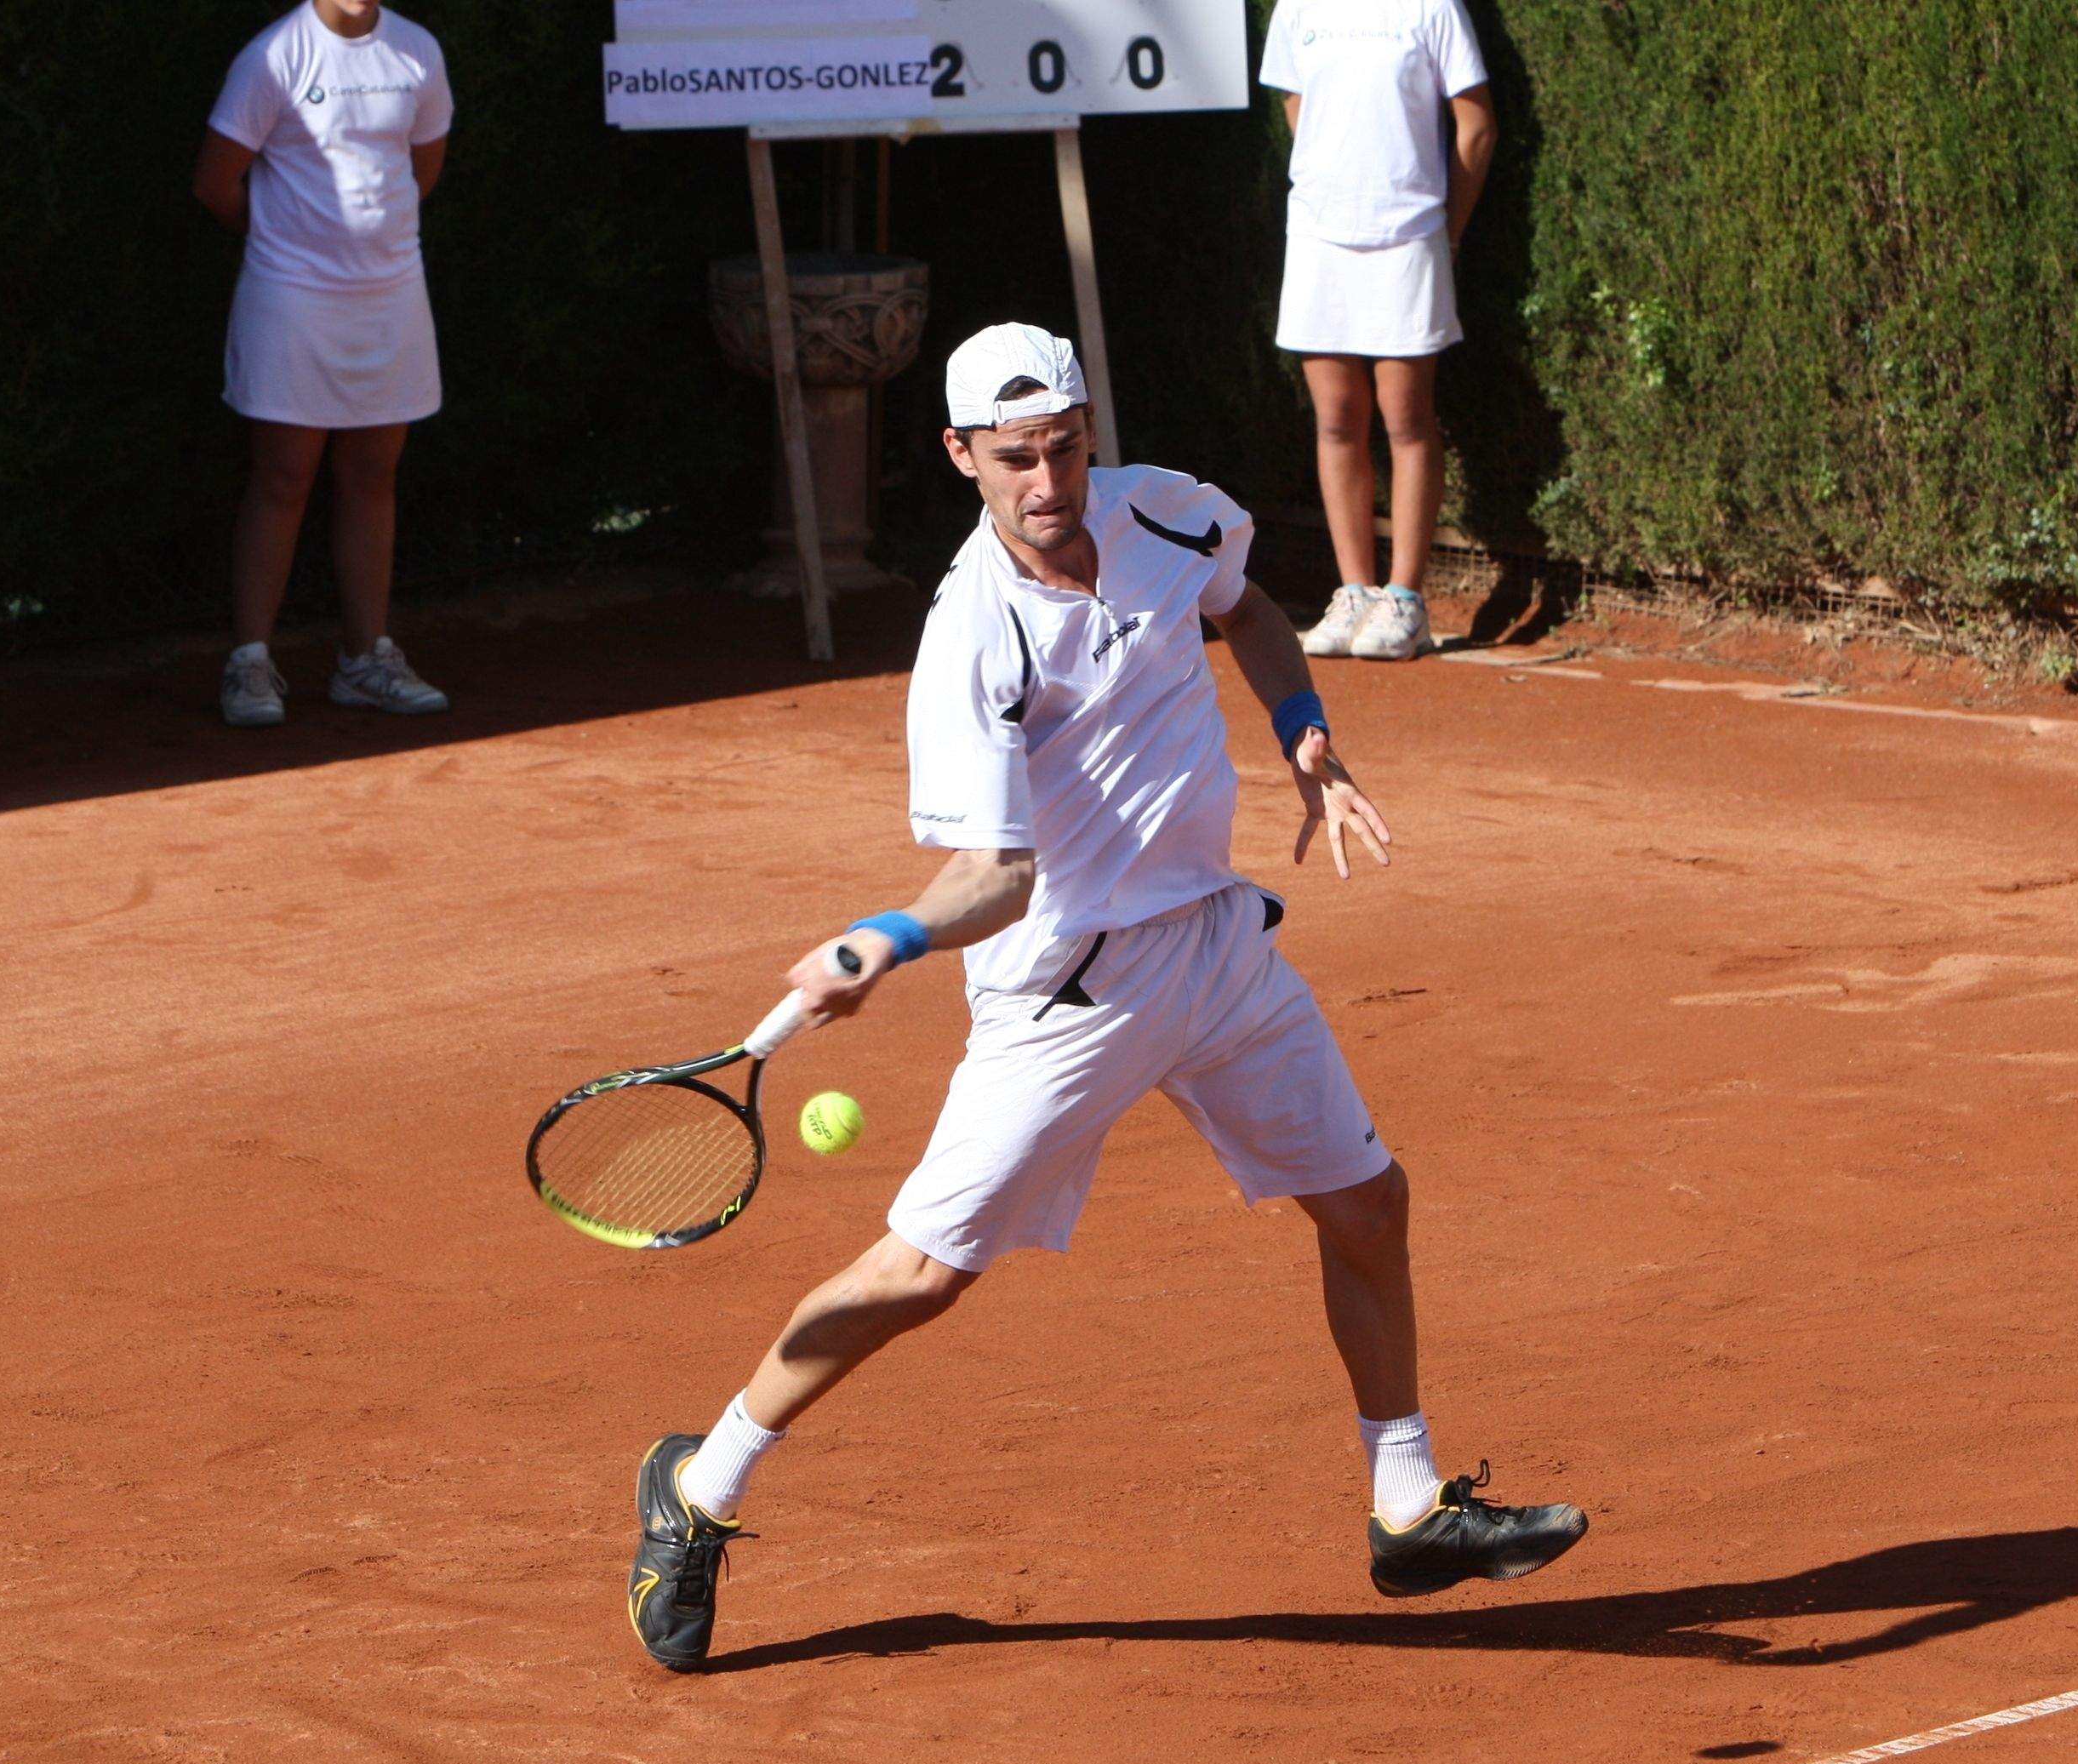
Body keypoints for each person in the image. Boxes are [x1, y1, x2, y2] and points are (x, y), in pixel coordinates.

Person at [624, 323, 1584, 1673]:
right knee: (918, 1278)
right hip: (1068, 989)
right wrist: (887, 936)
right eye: (1014, 458)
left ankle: (1405, 1503)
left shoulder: (1163, 513)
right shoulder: (970, 637)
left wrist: (1302, 730)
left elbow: (1242, 609)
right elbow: (999, 873)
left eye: (1065, 449)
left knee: (1366, 1202)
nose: (1047, 482)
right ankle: (699, 1481)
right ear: (962, 456)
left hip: (1212, 945)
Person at [193, 0, 454, 728]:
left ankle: (365, 660)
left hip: (392, 297)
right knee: (282, 475)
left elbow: (420, 172)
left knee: (374, 473)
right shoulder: (271, 58)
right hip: (291, 300)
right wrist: (289, 244)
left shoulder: (418, 53)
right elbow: (215, 183)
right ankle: (249, 664)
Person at [1259, 0, 1497, 663]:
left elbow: (1476, 125)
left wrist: (1445, 232)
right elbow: (1298, 107)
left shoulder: (1434, 6)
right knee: (1336, 417)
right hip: (1317, 235)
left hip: (1410, 235)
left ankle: (1406, 601)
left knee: (1405, 417)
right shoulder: (1296, 7)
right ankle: (1356, 591)